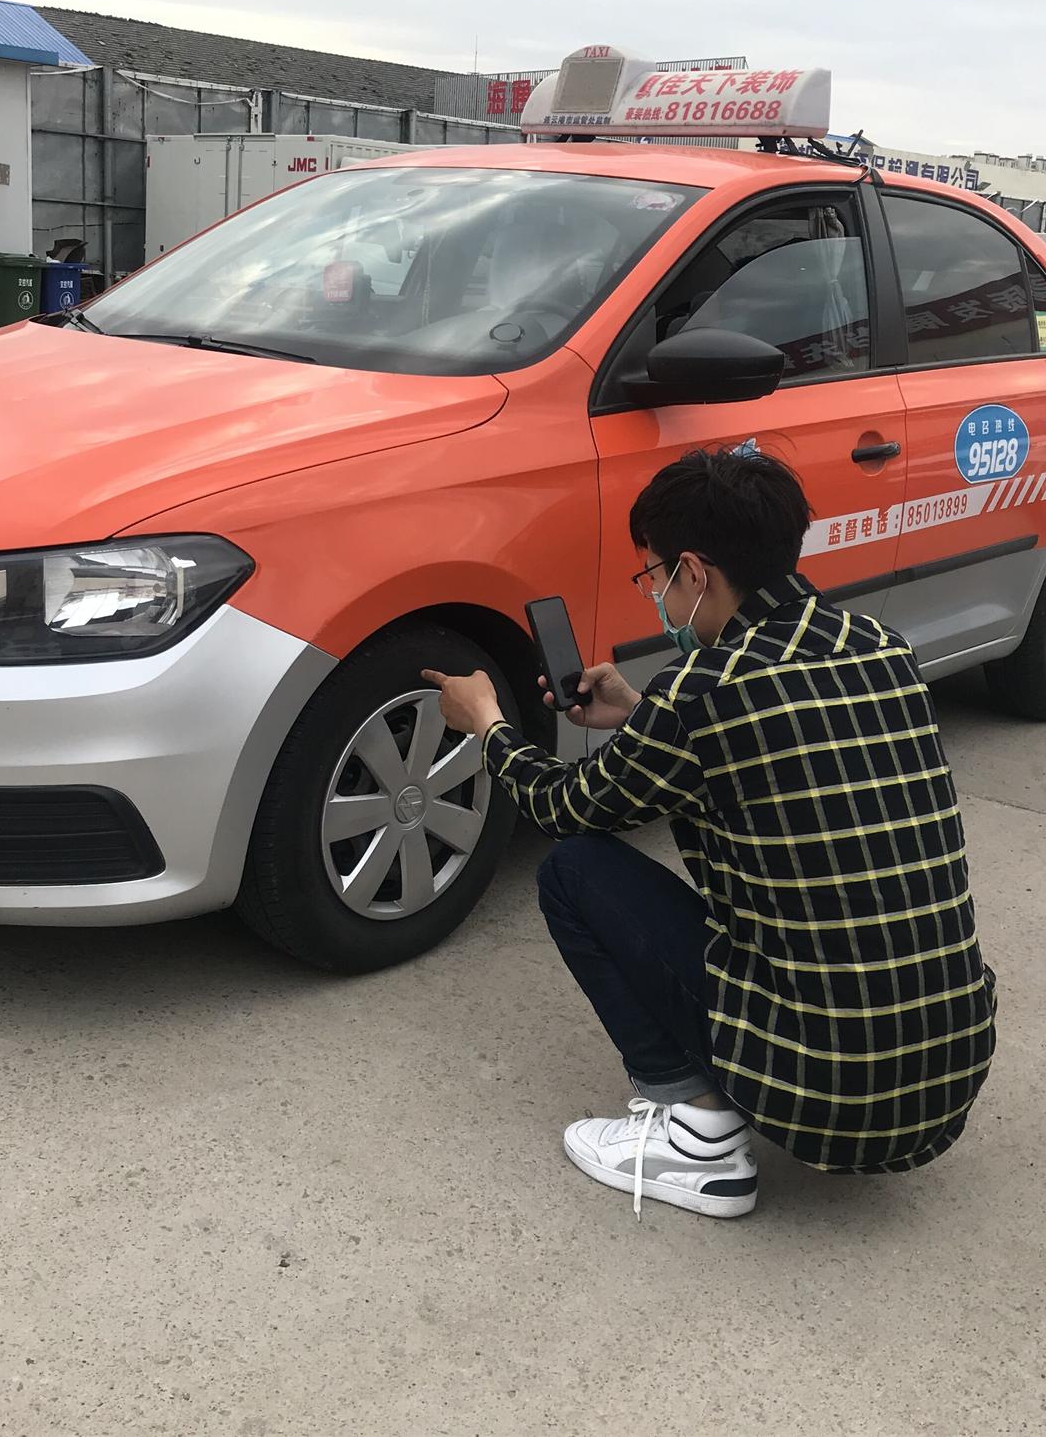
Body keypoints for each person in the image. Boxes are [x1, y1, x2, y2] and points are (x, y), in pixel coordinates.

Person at [424, 447, 996, 1220]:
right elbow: (779, 747)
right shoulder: (881, 648)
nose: (657, 595)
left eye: (655, 576)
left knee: (574, 872)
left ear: (694, 573)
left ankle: (698, 1138)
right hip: (951, 1071)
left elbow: (561, 806)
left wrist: (487, 722)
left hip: (825, 1094)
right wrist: (640, 715)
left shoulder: (703, 693)